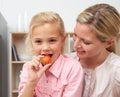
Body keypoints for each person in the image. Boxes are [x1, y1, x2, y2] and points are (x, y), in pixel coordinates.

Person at [18, 11, 84, 97]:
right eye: (38, 41)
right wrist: (31, 82)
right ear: (32, 43)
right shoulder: (28, 68)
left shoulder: (73, 68)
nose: (45, 48)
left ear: (63, 40)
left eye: (52, 40)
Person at [72, 3, 120, 97]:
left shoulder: (116, 71)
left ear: (109, 43)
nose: (75, 45)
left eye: (86, 42)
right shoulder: (65, 62)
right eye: (75, 35)